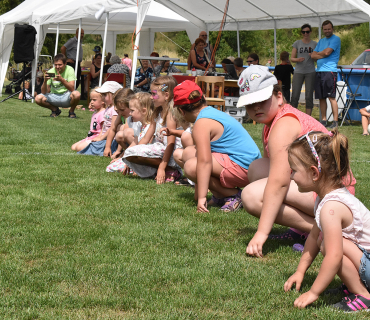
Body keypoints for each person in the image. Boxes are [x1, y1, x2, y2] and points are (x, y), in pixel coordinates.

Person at [236, 65, 356, 257]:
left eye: (261, 99)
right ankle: (313, 228)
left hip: (336, 195)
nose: (256, 107)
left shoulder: (283, 125)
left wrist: (261, 232)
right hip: (328, 188)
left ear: (279, 96)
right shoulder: (274, 121)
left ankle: (325, 231)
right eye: (250, 103)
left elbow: (279, 183)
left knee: (250, 196)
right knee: (257, 169)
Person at [284, 131, 370, 312]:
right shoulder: (325, 198)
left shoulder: (331, 207)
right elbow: (313, 236)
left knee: (328, 246)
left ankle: (363, 295)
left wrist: (314, 292)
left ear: (314, 173)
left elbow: (334, 256)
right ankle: (352, 282)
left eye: (294, 170)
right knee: (322, 239)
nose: (291, 176)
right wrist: (300, 271)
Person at [174, 80, 261, 213]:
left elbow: (204, 162)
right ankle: (220, 195)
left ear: (181, 111)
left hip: (244, 168)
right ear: (203, 98)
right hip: (252, 165)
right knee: (187, 153)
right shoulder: (211, 113)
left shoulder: (202, 123)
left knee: (191, 166)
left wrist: (201, 197)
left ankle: (234, 195)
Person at [122, 76, 182, 183]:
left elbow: (170, 144)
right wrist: (131, 158)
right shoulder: (157, 112)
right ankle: (163, 170)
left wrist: (161, 168)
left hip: (170, 153)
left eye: (154, 94)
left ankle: (169, 170)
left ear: (166, 95)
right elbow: (146, 137)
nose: (151, 97)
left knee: (132, 152)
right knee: (130, 152)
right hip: (159, 149)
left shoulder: (170, 114)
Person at [107, 92, 154, 173]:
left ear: (143, 111)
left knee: (118, 167)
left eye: (132, 111)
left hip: (146, 157)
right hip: (139, 154)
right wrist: (122, 157)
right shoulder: (140, 125)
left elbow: (146, 147)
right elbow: (134, 144)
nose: (130, 113)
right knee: (111, 167)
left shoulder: (150, 126)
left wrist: (134, 162)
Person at [78, 81, 122, 156]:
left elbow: (112, 127)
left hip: (111, 140)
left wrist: (101, 138)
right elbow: (104, 126)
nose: (102, 98)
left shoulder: (115, 110)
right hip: (104, 139)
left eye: (105, 95)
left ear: (114, 95)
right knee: (81, 148)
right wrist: (99, 137)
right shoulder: (108, 108)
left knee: (83, 148)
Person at [311, 20, 341, 128]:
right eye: (325, 29)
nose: (327, 31)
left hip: (329, 71)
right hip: (319, 71)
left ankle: (335, 121)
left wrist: (321, 53)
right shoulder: (321, 41)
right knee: (321, 97)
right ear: (323, 30)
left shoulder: (336, 39)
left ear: (332, 29)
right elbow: (313, 56)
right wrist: (322, 54)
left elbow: (328, 52)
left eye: (329, 29)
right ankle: (324, 120)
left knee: (331, 97)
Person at [35, 53, 80, 118]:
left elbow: (72, 88)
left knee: (77, 94)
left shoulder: (70, 69)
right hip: (54, 96)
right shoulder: (51, 71)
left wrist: (61, 79)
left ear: (65, 64)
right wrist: (45, 81)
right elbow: (44, 92)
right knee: (38, 98)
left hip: (66, 96)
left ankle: (71, 111)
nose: (57, 67)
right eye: (55, 65)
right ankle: (55, 110)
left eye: (60, 65)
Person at [290, 24, 317, 115]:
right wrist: (298, 59)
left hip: (310, 71)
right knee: (295, 94)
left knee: (309, 95)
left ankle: (308, 117)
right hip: (298, 71)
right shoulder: (297, 43)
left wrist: (313, 56)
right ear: (301, 33)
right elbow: (292, 58)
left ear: (310, 32)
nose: (305, 33)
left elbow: (317, 58)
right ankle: (293, 115)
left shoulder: (314, 44)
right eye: (303, 32)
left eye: (307, 32)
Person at [103, 88, 135, 159]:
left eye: (122, 109)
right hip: (130, 141)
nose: (116, 110)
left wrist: (119, 153)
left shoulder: (132, 116)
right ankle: (127, 152)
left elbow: (125, 133)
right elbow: (113, 129)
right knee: (120, 130)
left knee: (122, 129)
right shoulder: (123, 114)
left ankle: (128, 154)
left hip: (138, 141)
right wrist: (107, 147)